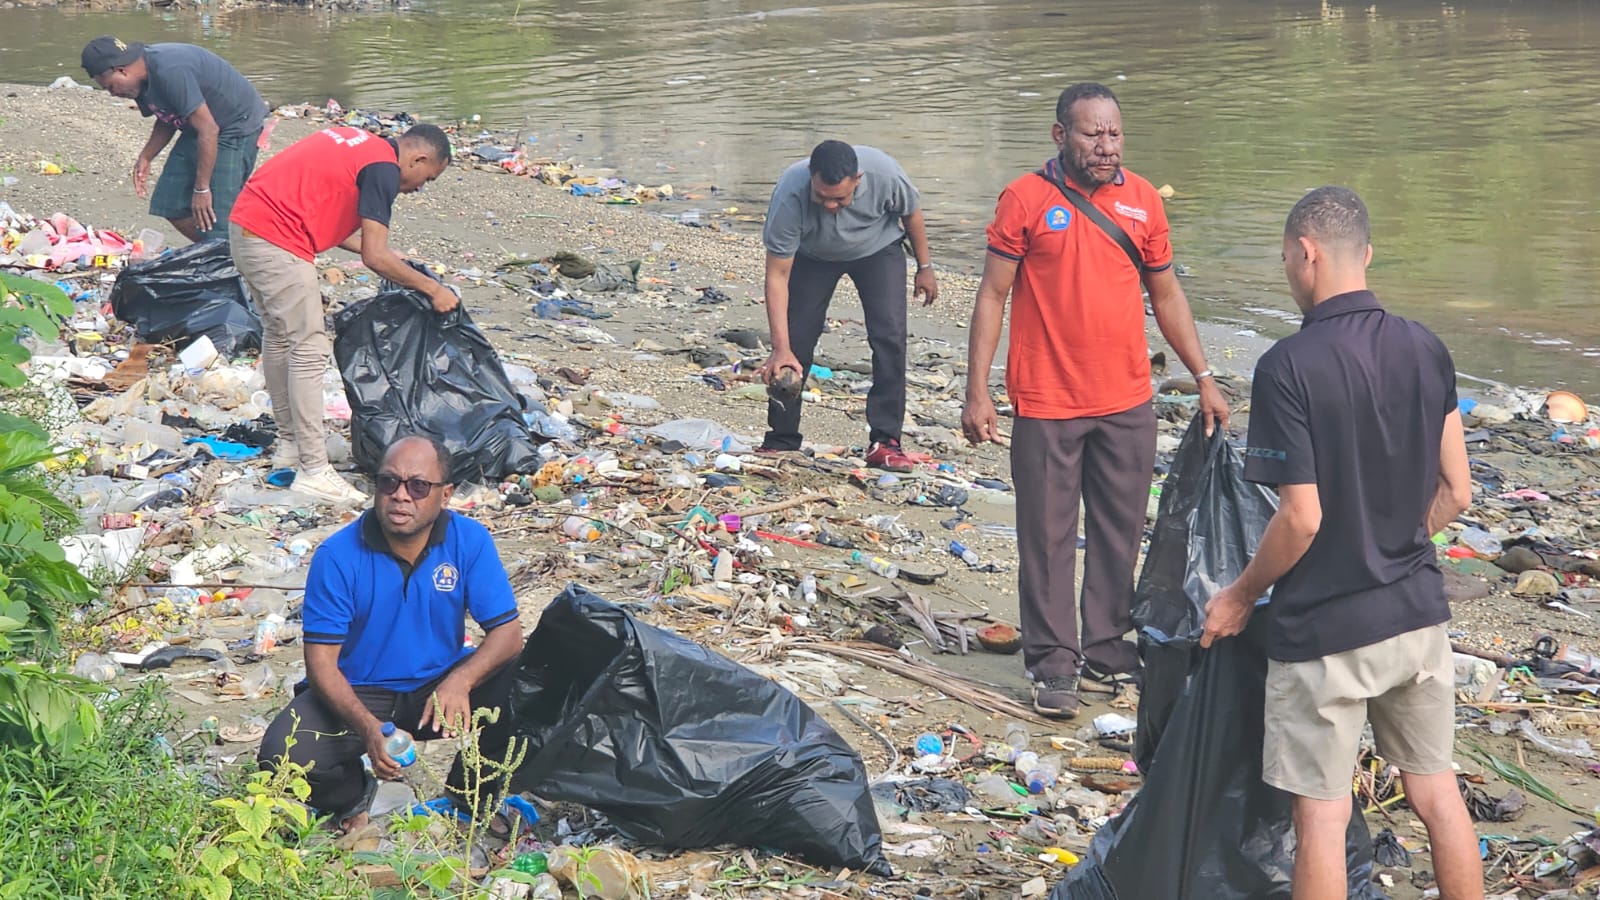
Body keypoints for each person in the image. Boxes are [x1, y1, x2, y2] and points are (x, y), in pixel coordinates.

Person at [1199, 187, 1480, 899]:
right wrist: (1393, 543)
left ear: (1307, 253)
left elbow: (1301, 519)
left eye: (1284, 259)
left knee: (1321, 817)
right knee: (1436, 793)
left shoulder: (1288, 366)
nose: (1287, 272)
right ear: (1368, 255)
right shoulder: (1426, 347)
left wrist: (1240, 596)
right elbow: (1458, 491)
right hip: (1416, 618)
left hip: (1326, 631)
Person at [962, 83, 1228, 719]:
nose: (1106, 146)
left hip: (1127, 400)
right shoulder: (1025, 199)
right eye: (1092, 134)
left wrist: (1204, 374)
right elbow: (992, 295)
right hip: (1047, 400)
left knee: (1119, 531)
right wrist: (978, 390)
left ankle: (1107, 647)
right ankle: (1054, 662)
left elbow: (1167, 295)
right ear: (1061, 135)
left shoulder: (1143, 201)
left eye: (1114, 133)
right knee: (1047, 537)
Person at [258, 435, 523, 832]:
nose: (401, 495)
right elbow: (321, 665)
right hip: (361, 690)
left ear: (445, 494)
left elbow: (509, 633)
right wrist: (370, 730)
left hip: (438, 687)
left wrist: (461, 681)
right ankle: (352, 797)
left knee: (530, 683)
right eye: (389, 482)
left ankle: (470, 797)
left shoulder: (469, 541)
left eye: (418, 486)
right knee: (282, 755)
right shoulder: (337, 556)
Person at [228, 123, 459, 504]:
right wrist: (433, 289)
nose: (419, 188)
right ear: (418, 159)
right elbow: (375, 257)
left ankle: (290, 446)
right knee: (309, 347)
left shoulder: (359, 142)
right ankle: (314, 470)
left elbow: (324, 211)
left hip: (247, 227)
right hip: (276, 239)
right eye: (427, 178)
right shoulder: (383, 169)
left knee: (280, 335)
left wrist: (388, 253)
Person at [757, 140, 939, 472]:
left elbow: (911, 213)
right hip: (813, 256)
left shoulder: (885, 174)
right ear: (811, 177)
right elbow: (777, 275)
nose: (830, 205)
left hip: (877, 249)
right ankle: (781, 440)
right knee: (796, 341)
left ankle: (886, 441)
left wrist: (924, 268)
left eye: (840, 198)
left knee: (890, 337)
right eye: (822, 197)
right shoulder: (790, 192)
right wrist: (780, 348)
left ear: (858, 180)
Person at [81, 36, 266, 243]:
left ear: (122, 70)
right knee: (170, 203)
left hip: (235, 126)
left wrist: (202, 188)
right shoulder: (141, 80)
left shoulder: (170, 70)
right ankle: (216, 251)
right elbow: (166, 117)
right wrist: (146, 156)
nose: (113, 94)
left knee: (216, 215)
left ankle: (231, 254)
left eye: (110, 87)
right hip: (199, 124)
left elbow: (209, 129)